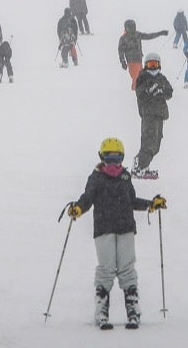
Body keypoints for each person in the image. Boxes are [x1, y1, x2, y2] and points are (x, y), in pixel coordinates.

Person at [66, 138, 167, 329]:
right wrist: (78, 208)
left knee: (127, 268)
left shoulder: (125, 177)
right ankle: (101, 311)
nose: (113, 163)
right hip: (104, 229)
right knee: (106, 268)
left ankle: (133, 311)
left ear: (122, 158)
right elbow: (87, 198)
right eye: (109, 158)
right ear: (102, 158)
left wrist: (150, 205)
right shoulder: (96, 178)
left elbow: (132, 200)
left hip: (125, 228)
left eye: (117, 158)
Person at [132, 53, 175, 178]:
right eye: (150, 64)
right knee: (149, 142)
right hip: (149, 114)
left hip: (160, 115)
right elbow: (142, 94)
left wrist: (160, 91)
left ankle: (142, 165)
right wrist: (152, 91)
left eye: (154, 64)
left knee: (156, 144)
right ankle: (140, 166)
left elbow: (169, 91)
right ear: (146, 65)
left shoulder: (161, 78)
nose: (152, 68)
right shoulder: (143, 78)